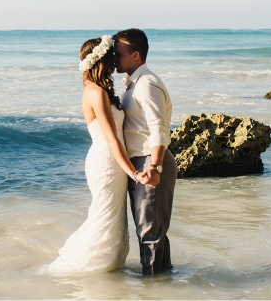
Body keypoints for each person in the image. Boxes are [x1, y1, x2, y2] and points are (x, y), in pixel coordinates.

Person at [48, 35, 145, 275]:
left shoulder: (100, 89)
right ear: (101, 59)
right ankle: (88, 269)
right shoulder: (97, 92)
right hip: (107, 162)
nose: (115, 59)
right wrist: (133, 172)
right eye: (112, 55)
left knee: (111, 216)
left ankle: (110, 272)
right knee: (105, 216)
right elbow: (111, 138)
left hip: (110, 160)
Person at [114, 28, 176, 275]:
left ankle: (150, 287)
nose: (114, 59)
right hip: (144, 161)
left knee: (150, 232)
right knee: (154, 231)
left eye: (118, 54)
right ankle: (162, 285)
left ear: (135, 55)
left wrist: (155, 167)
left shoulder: (147, 84)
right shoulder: (134, 84)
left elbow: (158, 126)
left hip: (150, 162)